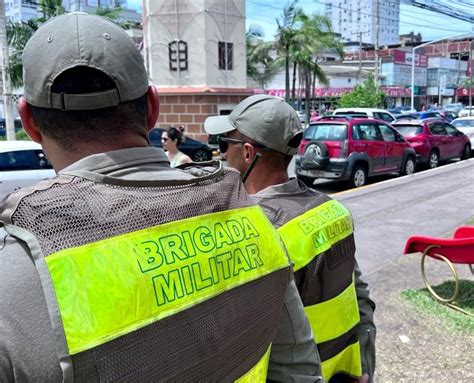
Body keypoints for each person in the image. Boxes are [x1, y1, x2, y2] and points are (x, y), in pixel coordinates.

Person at [0, 14, 322, 381]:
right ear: (152, 108)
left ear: (28, 122)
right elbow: (298, 368)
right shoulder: (253, 220)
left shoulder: (15, 275)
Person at [205, 94, 377, 383]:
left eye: (226, 144)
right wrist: (367, 363)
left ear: (248, 153)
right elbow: (360, 297)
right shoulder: (333, 210)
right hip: (347, 370)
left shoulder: (254, 233)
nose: (222, 154)